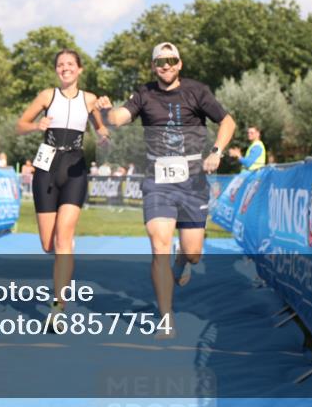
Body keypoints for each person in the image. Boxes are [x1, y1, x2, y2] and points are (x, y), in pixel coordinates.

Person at [96, 42, 235, 337]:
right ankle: (166, 318)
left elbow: (227, 121)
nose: (166, 66)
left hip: (193, 178)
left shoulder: (197, 91)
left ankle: (183, 258)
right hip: (157, 177)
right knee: (158, 245)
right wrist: (108, 111)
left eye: (171, 61)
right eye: (160, 61)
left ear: (180, 64)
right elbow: (120, 118)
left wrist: (217, 151)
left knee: (194, 252)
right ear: (153, 66)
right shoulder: (145, 93)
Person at [16, 49, 110, 325]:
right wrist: (36, 126)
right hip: (47, 166)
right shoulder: (48, 96)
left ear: (80, 69)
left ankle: (58, 305)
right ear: (56, 70)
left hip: (75, 166)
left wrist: (105, 132)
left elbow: (103, 130)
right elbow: (19, 125)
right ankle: (63, 246)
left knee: (63, 240)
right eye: (60, 65)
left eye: (70, 64)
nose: (65, 68)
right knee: (48, 244)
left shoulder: (90, 99)